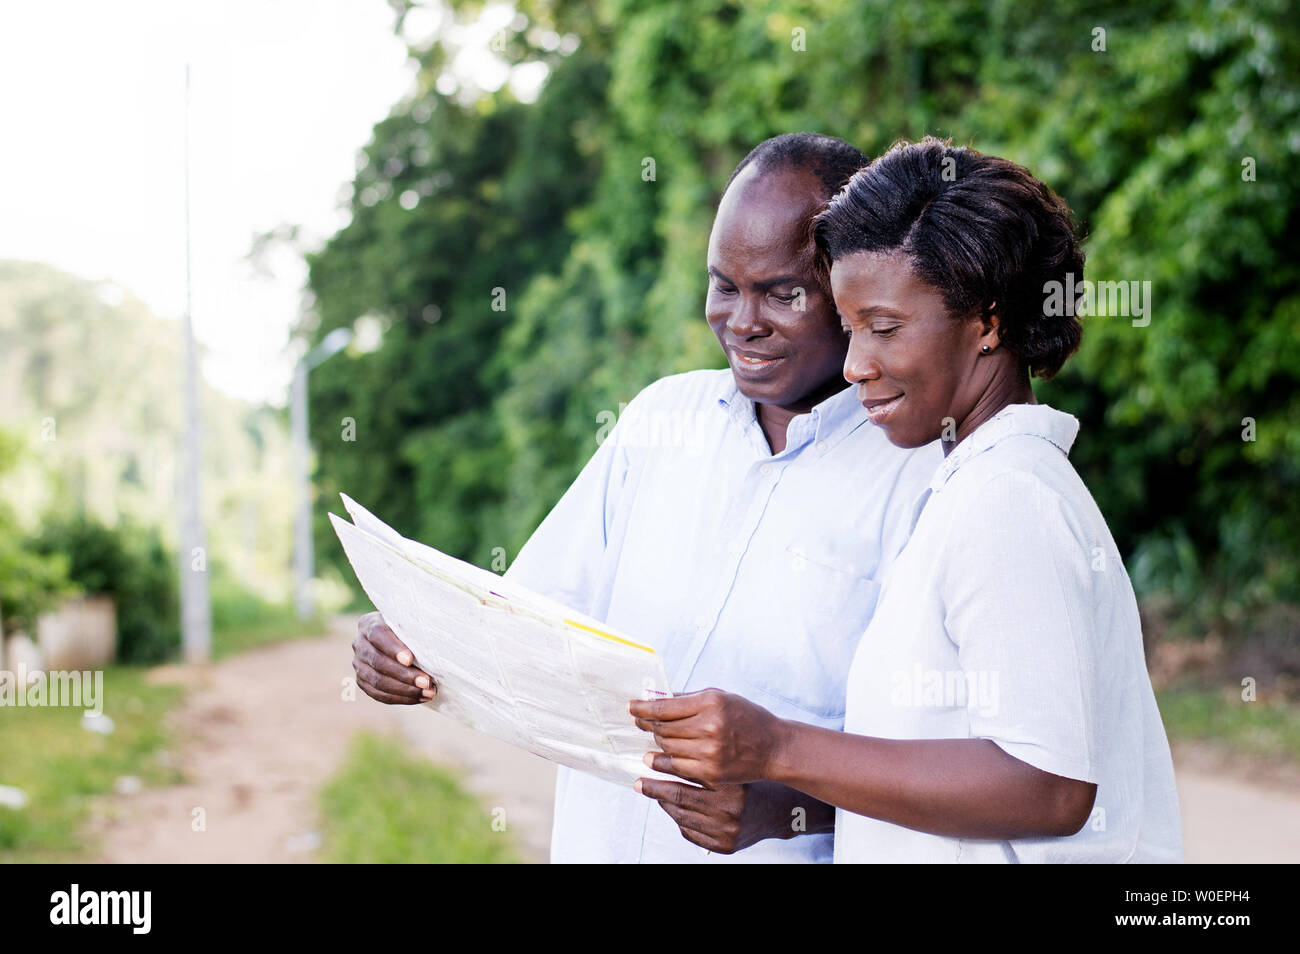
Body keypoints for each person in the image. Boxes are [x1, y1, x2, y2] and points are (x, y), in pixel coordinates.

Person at [350, 133, 942, 863]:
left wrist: (785, 810)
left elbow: (954, 771)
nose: (743, 321)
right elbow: (523, 623)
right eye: (725, 285)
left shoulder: (921, 474)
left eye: (783, 292)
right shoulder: (662, 422)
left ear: (854, 290)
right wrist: (414, 641)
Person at [630, 137, 1184, 863]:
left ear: (988, 321)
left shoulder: (1009, 499)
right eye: (852, 328)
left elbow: (1050, 785)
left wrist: (777, 747)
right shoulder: (963, 485)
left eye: (885, 329)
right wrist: (785, 803)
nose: (858, 366)